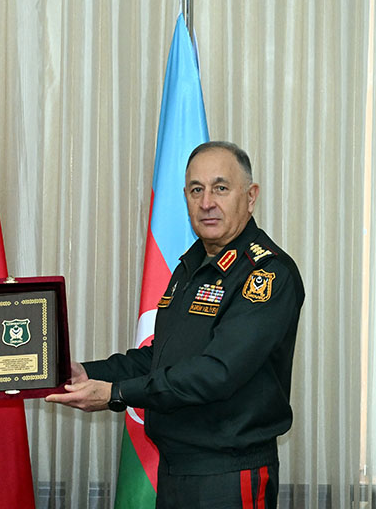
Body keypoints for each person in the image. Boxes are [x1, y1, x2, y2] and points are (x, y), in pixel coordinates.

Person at [47, 141, 304, 509]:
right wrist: (86, 373)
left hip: (228, 474)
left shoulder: (266, 274)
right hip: (175, 469)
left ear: (250, 197)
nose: (206, 202)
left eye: (220, 188)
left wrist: (116, 393)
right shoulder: (191, 266)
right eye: (196, 190)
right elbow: (161, 358)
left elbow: (217, 372)